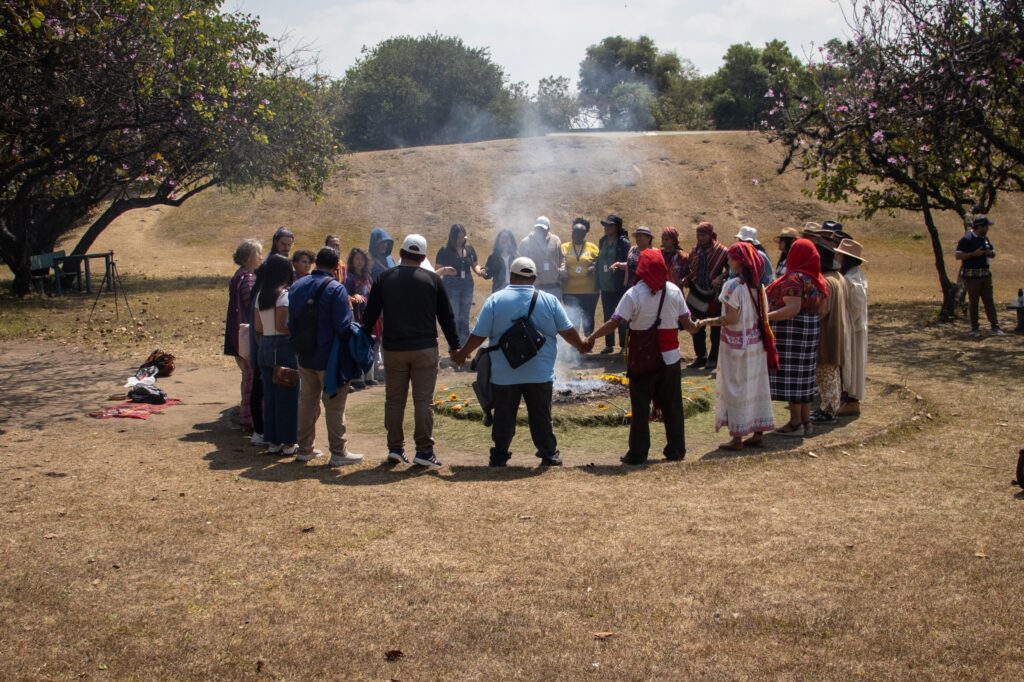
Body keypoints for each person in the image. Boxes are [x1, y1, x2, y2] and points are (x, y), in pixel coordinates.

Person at [453, 257, 592, 467]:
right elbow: (568, 331)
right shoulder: (549, 301)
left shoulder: (495, 300)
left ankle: (499, 456)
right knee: (541, 415)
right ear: (534, 278)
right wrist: (581, 345)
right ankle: (549, 454)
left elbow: (479, 335)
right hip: (540, 373)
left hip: (504, 374)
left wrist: (463, 353)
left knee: (503, 416)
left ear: (511, 275)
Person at [588, 250, 699, 464]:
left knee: (640, 408)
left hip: (643, 360)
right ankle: (676, 450)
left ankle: (638, 453)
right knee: (673, 406)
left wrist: (592, 337)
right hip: (671, 358)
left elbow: (614, 322)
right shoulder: (675, 291)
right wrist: (700, 325)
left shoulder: (634, 294)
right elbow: (689, 325)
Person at [363, 234, 461, 469]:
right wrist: (455, 346)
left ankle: (395, 448)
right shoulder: (432, 280)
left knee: (394, 401)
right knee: (423, 402)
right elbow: (446, 316)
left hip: (394, 348)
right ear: (424, 257)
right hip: (424, 348)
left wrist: (364, 337)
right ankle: (424, 451)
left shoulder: (384, 278)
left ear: (401, 254)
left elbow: (370, 314)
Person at [288, 247, 365, 467]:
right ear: (334, 267)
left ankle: (304, 448)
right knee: (334, 405)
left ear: (316, 262)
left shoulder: (297, 285)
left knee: (307, 402)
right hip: (330, 357)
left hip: (305, 354)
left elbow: (291, 321)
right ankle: (338, 451)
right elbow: (342, 326)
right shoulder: (336, 289)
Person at [697, 242, 778, 450]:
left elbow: (730, 319)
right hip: (756, 346)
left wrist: (707, 322)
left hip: (736, 348)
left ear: (739, 262)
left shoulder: (732, 286)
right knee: (755, 386)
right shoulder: (758, 286)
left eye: (731, 258)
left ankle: (736, 438)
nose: (728, 261)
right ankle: (757, 433)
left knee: (736, 388)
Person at [766, 238, 828, 438]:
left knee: (794, 377)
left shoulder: (795, 278)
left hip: (793, 333)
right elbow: (822, 308)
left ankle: (795, 423)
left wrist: (765, 317)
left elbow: (792, 309)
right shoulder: (817, 279)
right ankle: (805, 421)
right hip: (810, 329)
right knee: (804, 376)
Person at [254, 254, 298, 455]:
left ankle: (272, 440)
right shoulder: (283, 295)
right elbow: (283, 326)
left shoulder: (261, 295)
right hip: (281, 346)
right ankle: (288, 440)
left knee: (270, 396)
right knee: (287, 395)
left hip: (265, 345)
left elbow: (258, 326)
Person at [806, 230, 847, 424]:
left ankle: (828, 410)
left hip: (828, 332)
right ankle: (829, 406)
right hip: (835, 330)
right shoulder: (837, 278)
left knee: (826, 372)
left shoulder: (828, 282)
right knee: (831, 372)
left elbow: (823, 310)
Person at [224, 239, 261, 436]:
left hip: (237, 331)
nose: (260, 257)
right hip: (245, 333)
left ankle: (246, 415)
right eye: (258, 254)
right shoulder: (247, 278)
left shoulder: (238, 276)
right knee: (250, 377)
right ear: (249, 257)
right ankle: (249, 418)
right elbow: (251, 305)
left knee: (246, 376)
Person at [682, 222, 729, 370]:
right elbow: (691, 268)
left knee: (715, 327)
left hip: (715, 294)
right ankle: (700, 357)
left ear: (710, 235)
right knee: (696, 324)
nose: (700, 238)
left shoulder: (721, 251)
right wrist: (687, 278)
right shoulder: (695, 250)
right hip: (697, 291)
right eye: (698, 235)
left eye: (703, 235)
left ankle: (714, 358)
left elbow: (730, 269)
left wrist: (720, 277)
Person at [835, 239, 868, 417]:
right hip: (850, 326)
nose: (837, 258)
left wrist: (848, 321)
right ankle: (845, 398)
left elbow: (856, 305)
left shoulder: (852, 279)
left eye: (840, 255)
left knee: (851, 362)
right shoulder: (852, 276)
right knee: (848, 362)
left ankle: (850, 401)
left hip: (853, 329)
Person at [435, 224, 483, 347]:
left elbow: (475, 264)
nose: (460, 240)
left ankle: (465, 346)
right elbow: (437, 270)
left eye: (462, 237)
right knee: (454, 316)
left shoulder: (470, 249)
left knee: (465, 317)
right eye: (457, 238)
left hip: (467, 284)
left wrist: (479, 271)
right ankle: (455, 347)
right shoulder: (444, 250)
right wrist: (445, 270)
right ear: (452, 237)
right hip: (451, 285)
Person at [956, 216, 1003, 336]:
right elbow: (958, 255)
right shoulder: (967, 239)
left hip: (986, 276)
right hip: (972, 278)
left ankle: (995, 326)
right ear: (980, 227)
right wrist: (973, 254)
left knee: (989, 301)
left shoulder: (985, 238)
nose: (988, 228)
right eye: (986, 226)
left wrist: (989, 253)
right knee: (974, 302)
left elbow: (993, 252)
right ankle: (974, 328)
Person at [596, 214, 631, 354]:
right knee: (607, 315)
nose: (606, 228)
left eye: (609, 225)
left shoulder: (624, 243)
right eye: (605, 225)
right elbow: (600, 259)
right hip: (605, 285)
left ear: (617, 227)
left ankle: (624, 346)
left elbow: (629, 262)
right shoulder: (603, 240)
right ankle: (609, 345)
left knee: (621, 316)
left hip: (619, 285)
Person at [344, 247, 377, 389]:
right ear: (352, 260)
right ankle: (357, 377)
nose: (360, 262)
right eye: (357, 258)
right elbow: (343, 296)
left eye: (362, 259)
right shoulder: (349, 278)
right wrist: (352, 297)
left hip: (367, 315)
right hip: (355, 316)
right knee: (357, 345)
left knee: (368, 344)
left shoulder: (367, 277)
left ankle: (369, 376)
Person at [561, 218, 600, 337]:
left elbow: (600, 262)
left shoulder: (592, 248)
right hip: (569, 290)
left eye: (579, 233)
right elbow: (558, 262)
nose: (576, 235)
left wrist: (594, 266)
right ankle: (575, 344)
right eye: (574, 232)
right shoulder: (564, 247)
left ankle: (588, 341)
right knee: (572, 318)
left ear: (585, 234)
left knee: (588, 316)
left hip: (589, 291)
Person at [518, 216, 565, 299]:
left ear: (548, 228)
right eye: (538, 228)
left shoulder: (556, 240)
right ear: (534, 227)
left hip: (553, 285)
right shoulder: (525, 242)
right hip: (534, 286)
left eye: (543, 228)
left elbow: (562, 258)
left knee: (553, 311)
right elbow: (519, 262)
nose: (540, 230)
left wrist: (562, 269)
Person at [481, 229, 518, 293]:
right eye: (502, 238)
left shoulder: (516, 257)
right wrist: (484, 272)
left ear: (511, 240)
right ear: (498, 240)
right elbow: (488, 275)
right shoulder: (493, 257)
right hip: (498, 289)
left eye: (507, 238)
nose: (504, 240)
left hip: (513, 288)